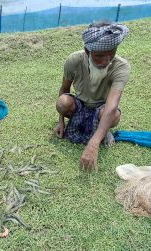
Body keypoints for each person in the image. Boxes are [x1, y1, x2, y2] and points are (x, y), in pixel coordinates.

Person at [54, 22, 130, 171]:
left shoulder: (121, 67)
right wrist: (60, 121)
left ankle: (104, 130)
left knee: (113, 115)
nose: (106, 61)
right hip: (79, 105)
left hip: (103, 108)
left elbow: (112, 105)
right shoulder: (74, 60)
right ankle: (97, 130)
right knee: (63, 103)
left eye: (111, 53)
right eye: (99, 56)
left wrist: (93, 145)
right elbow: (64, 89)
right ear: (87, 51)